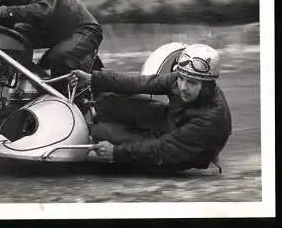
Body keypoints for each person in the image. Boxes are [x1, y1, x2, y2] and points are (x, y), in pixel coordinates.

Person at [70, 43, 232, 173]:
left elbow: (162, 149)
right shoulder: (181, 80)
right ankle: (89, 121)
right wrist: (94, 79)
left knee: (102, 131)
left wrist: (116, 152)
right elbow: (141, 83)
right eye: (182, 79)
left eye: (192, 83)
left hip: (176, 154)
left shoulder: (211, 117)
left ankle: (92, 131)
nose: (183, 87)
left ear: (206, 86)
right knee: (107, 101)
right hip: (173, 121)